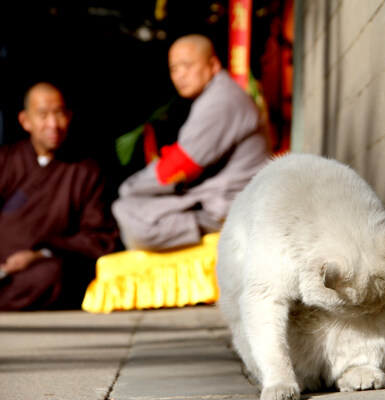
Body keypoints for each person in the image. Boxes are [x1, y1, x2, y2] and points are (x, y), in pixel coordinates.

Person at [112, 34, 270, 250]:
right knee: (128, 209)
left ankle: (196, 231)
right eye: (174, 68)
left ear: (213, 64)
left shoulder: (221, 100)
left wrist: (130, 188)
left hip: (230, 204)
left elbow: (179, 166)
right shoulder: (216, 94)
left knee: (127, 210)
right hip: (217, 196)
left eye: (187, 65)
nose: (180, 75)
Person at [0, 82, 119, 311]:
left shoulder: (85, 170)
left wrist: (39, 253)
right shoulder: (5, 161)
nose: (53, 124)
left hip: (41, 266)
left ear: (70, 116)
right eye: (43, 115)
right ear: (25, 121)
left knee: (54, 275)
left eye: (59, 114)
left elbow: (99, 236)